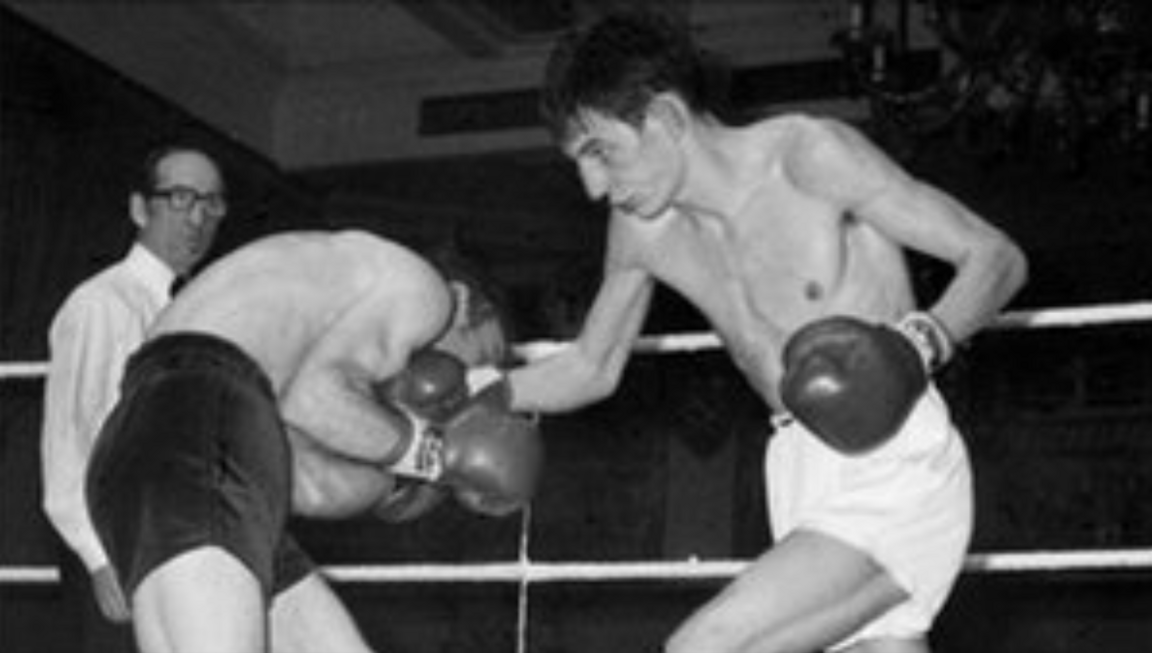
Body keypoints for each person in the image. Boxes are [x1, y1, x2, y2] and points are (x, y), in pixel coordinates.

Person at [503, 10, 1028, 653]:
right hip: (798, 471)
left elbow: (995, 258)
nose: (593, 187)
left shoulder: (809, 157)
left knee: (705, 646)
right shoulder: (645, 230)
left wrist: (919, 344)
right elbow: (589, 366)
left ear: (666, 118)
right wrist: (473, 394)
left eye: (601, 153)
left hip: (894, 458)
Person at [84, 229, 542, 653]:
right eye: (475, 359)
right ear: (466, 303)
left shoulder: (280, 365)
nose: (456, 393)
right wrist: (435, 456)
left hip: (154, 449)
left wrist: (406, 482)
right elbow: (317, 400)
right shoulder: (426, 291)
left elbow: (312, 487)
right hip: (196, 423)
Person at [41, 144, 228, 650]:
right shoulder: (102, 304)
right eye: (181, 198)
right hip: (115, 553)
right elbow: (68, 444)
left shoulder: (198, 311)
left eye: (211, 203)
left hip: (176, 547)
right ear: (140, 208)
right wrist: (99, 559)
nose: (198, 217)